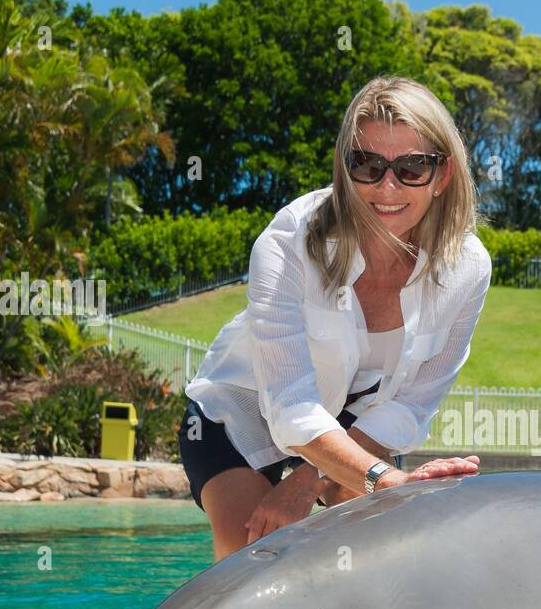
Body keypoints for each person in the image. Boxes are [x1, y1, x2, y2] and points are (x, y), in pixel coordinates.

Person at [180, 76, 491, 561]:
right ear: (345, 169)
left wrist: (317, 481)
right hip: (245, 406)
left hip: (356, 422)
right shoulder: (287, 243)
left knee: (386, 549)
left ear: (442, 175)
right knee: (250, 557)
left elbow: (409, 405)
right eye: (368, 164)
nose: (387, 187)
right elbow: (291, 407)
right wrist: (389, 479)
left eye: (412, 168)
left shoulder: (468, 267)